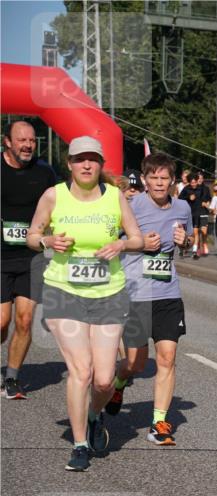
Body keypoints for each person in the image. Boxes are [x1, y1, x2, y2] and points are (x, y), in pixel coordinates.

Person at [25, 136, 144, 472]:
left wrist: (121, 246)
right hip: (64, 292)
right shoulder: (54, 196)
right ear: (70, 164)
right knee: (81, 370)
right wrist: (47, 240)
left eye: (93, 159)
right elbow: (33, 235)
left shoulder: (115, 197)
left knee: (104, 379)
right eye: (80, 160)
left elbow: (136, 237)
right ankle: (79, 444)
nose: (87, 165)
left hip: (109, 293)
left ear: (101, 164)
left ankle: (94, 415)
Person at [105, 153, 190, 446]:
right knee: (135, 363)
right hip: (136, 294)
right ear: (144, 180)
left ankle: (159, 423)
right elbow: (113, 245)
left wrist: (186, 242)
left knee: (167, 357)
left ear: (172, 180)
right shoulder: (131, 206)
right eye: (153, 178)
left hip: (168, 293)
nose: (159, 183)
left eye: (164, 178)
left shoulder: (182, 207)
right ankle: (118, 384)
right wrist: (140, 243)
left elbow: (190, 248)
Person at [1, 120, 57, 400]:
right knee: (1, 322)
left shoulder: (45, 172)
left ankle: (12, 377)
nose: (28, 145)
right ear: (7, 142)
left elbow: (61, 207)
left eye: (32, 141)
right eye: (22, 140)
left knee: (24, 320)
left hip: (31, 259)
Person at [179, 171, 210, 259]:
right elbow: (180, 199)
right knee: (187, 233)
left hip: (197, 213)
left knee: (195, 233)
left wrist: (206, 203)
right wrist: (188, 198)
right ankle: (182, 249)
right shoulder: (186, 189)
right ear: (189, 182)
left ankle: (194, 251)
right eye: (192, 182)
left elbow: (206, 198)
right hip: (188, 213)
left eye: (195, 182)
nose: (193, 184)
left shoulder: (201, 189)